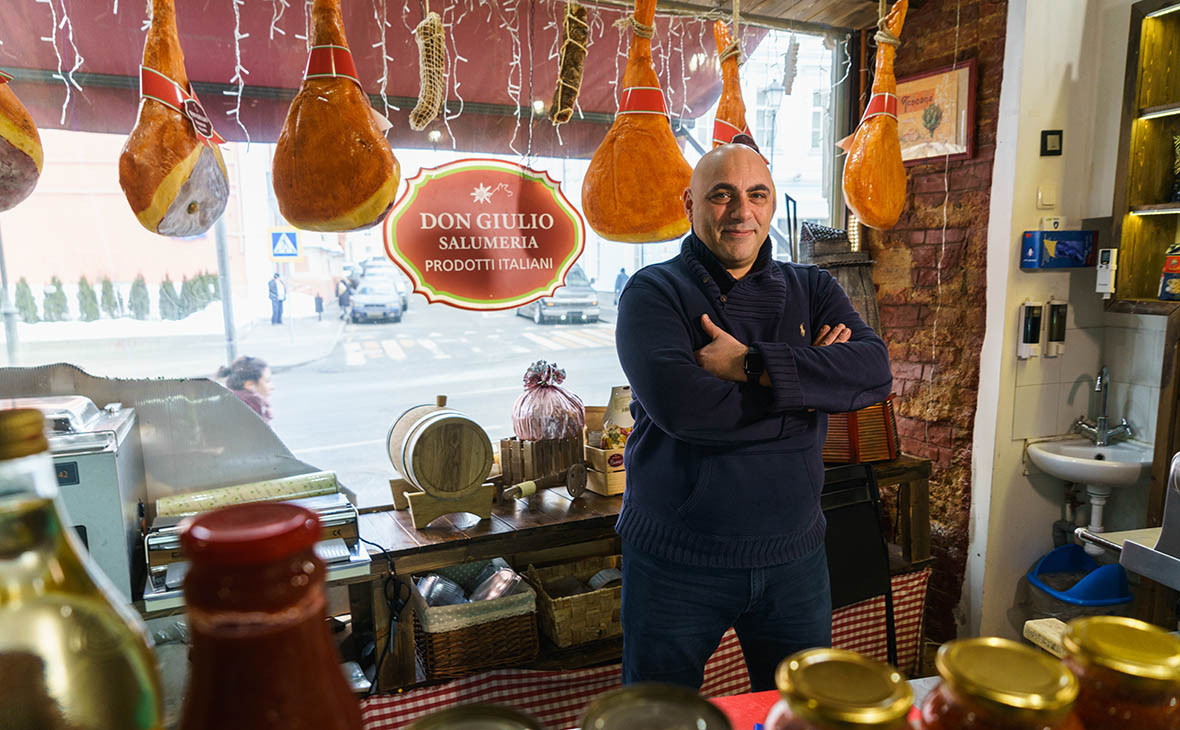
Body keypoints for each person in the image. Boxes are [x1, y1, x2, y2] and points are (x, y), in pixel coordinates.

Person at [613, 142, 892, 692]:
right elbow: (686, 410)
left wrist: (749, 363)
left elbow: (874, 372)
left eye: (756, 194)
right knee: (657, 719)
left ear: (769, 203)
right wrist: (810, 393)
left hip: (796, 556)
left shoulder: (811, 287)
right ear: (689, 203)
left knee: (801, 713)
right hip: (677, 559)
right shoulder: (654, 292)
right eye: (722, 195)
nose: (742, 212)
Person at [217, 356, 274, 422]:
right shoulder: (254, 408)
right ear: (250, 385)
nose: (272, 387)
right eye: (267, 381)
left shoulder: (229, 403)